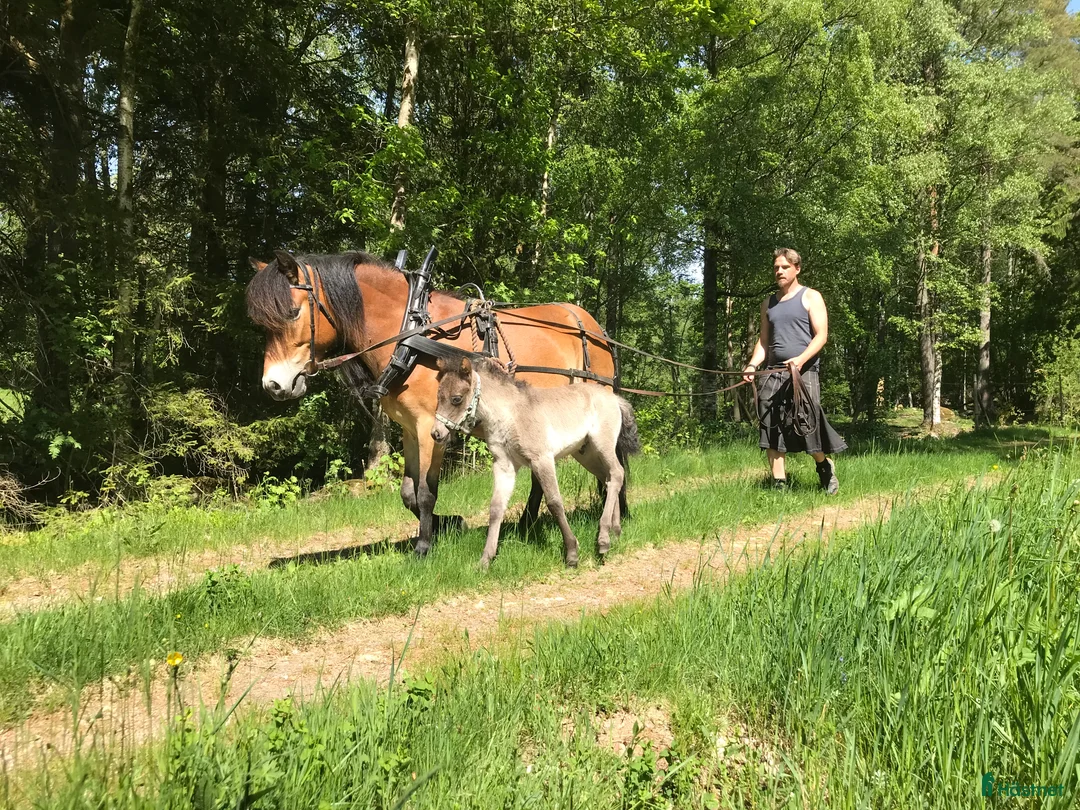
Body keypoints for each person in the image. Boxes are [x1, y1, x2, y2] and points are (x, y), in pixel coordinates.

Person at [742, 248, 846, 493]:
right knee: (770, 424)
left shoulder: (811, 297)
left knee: (806, 422)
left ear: (797, 269)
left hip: (803, 371)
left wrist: (799, 360)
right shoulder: (768, 303)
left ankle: (824, 466)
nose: (779, 271)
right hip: (772, 372)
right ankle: (779, 483)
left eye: (785, 267)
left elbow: (821, 336)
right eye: (776, 267)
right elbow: (764, 343)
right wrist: (752, 364)